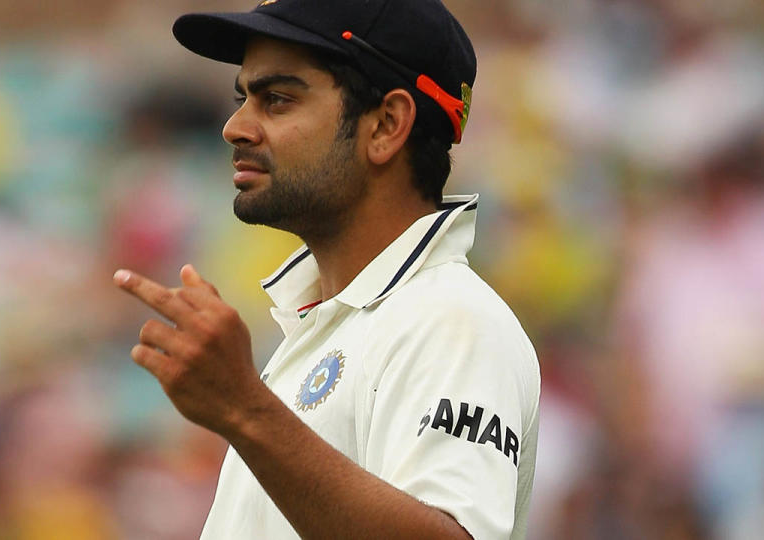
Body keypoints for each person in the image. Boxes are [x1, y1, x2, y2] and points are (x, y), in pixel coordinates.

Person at [112, 1, 540, 538]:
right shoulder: (322, 326)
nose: (235, 127)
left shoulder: (452, 318)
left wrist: (245, 410)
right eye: (243, 98)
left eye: (278, 100)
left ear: (386, 125)